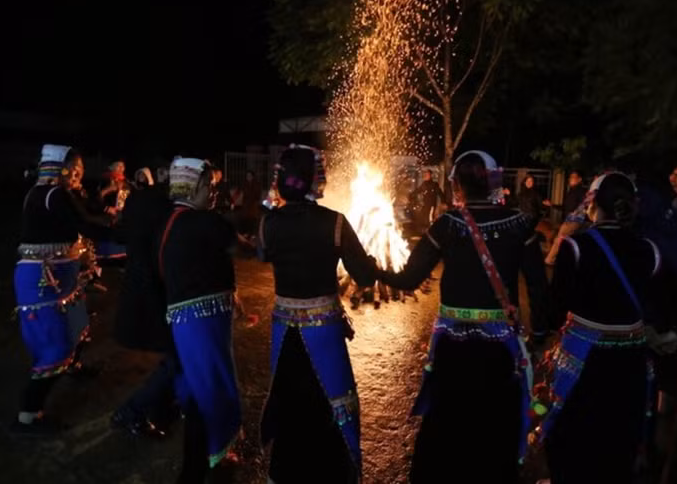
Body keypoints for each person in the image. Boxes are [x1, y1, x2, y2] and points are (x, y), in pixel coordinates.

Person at [379, 151, 545, 483]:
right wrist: (539, 337)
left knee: (447, 423)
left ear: (456, 184)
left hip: (453, 350)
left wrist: (373, 268)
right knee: (495, 424)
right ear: (495, 181)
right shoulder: (519, 224)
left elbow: (409, 279)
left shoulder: (447, 226)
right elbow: (539, 288)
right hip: (500, 350)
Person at [258, 145, 376, 484]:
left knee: (290, 400)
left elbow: (263, 255)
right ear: (315, 180)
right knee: (330, 403)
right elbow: (365, 277)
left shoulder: (270, 223)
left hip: (285, 332)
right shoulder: (334, 223)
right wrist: (373, 267)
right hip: (324, 332)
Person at [532, 172, 660, 484]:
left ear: (592, 205)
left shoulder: (575, 247)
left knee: (573, 434)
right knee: (619, 435)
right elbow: (656, 307)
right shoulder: (649, 251)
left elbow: (553, 310)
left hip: (584, 362)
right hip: (631, 362)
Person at [11, 144, 111, 434]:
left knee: (77, 324)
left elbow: (86, 212)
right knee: (54, 347)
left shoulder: (53, 193)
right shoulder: (53, 194)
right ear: (62, 169)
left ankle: (73, 367)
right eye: (76, 170)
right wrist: (129, 237)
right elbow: (85, 223)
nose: (80, 175)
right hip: (43, 285)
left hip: (60, 281)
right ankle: (27, 417)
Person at [159, 157, 241, 482]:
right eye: (210, 186)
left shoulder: (170, 222)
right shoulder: (205, 222)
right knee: (211, 391)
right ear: (195, 186)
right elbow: (237, 246)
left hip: (184, 324)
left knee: (198, 389)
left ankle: (204, 461)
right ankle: (201, 467)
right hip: (203, 326)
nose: (213, 193)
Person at [111, 171, 177, 438]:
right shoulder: (168, 210)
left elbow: (121, 234)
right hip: (158, 294)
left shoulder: (143, 202)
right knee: (177, 358)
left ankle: (158, 406)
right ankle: (133, 411)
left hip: (149, 292)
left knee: (176, 357)